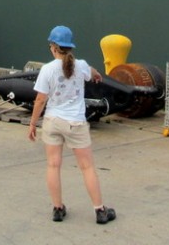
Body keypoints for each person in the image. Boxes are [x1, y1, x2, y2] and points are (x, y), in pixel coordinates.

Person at [28, 26, 117, 225]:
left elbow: (40, 99)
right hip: (75, 123)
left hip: (52, 121)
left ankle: (58, 209)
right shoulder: (81, 65)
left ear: (53, 47)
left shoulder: (47, 69)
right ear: (70, 47)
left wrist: (33, 123)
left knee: (53, 164)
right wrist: (96, 75)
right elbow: (92, 71)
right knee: (87, 167)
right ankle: (100, 211)